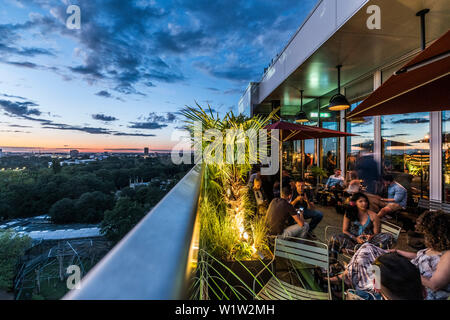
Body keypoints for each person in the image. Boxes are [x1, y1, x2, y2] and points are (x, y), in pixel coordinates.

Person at [333, 210, 450, 300]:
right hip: (403, 281)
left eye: (425, 233)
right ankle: (349, 280)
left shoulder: (448, 255)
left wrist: (406, 272)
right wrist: (398, 252)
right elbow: (420, 257)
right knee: (367, 248)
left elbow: (434, 285)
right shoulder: (436, 248)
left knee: (371, 262)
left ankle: (348, 282)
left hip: (412, 291)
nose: (423, 236)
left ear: (436, 234)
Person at [328, 192, 394, 263]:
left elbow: (376, 233)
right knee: (334, 237)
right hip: (352, 241)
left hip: (368, 243)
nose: (364, 203)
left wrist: (370, 236)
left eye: (365, 201)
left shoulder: (373, 215)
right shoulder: (349, 213)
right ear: (355, 203)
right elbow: (345, 230)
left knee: (388, 236)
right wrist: (355, 238)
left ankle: (363, 251)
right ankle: (333, 264)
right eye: (360, 201)